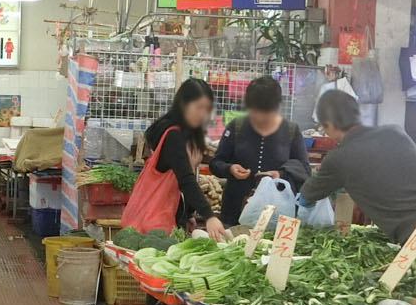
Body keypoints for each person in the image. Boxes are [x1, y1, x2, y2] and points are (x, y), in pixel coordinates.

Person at [299, 89, 416, 243]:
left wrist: (304, 203)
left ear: (330, 125)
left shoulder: (338, 158)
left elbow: (308, 195)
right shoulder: (395, 132)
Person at [119, 77, 226, 242]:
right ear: (184, 104)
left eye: (207, 109)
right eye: (198, 107)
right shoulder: (172, 136)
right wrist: (209, 216)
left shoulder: (183, 135)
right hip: (153, 223)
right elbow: (185, 179)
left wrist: (186, 213)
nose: (203, 114)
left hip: (161, 218)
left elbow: (179, 181)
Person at [211, 76, 312, 228]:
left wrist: (280, 175)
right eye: (256, 111)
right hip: (235, 213)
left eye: (267, 112)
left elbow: (304, 170)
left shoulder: (291, 131)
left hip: (277, 215)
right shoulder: (236, 127)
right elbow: (215, 163)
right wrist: (230, 169)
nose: (261, 118)